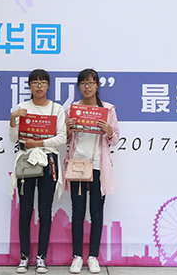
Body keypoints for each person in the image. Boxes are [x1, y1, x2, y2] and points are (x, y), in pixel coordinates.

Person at [9, 69, 66, 274]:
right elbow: (14, 138)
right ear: (30, 86)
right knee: (25, 210)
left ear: (48, 86)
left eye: (43, 82)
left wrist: (38, 143)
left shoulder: (56, 108)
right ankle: (24, 257)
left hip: (48, 161)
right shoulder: (22, 108)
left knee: (45, 211)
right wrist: (13, 118)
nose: (39, 86)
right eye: (35, 82)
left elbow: (62, 138)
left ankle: (41, 257)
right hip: (26, 161)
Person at [64, 69, 120, 274]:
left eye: (90, 83)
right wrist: (68, 128)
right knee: (78, 212)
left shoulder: (107, 109)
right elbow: (65, 139)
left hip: (98, 165)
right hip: (78, 164)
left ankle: (93, 257)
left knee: (96, 212)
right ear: (79, 86)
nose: (87, 87)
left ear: (97, 85)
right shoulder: (73, 109)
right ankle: (77, 257)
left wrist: (108, 131)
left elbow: (115, 139)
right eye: (83, 83)